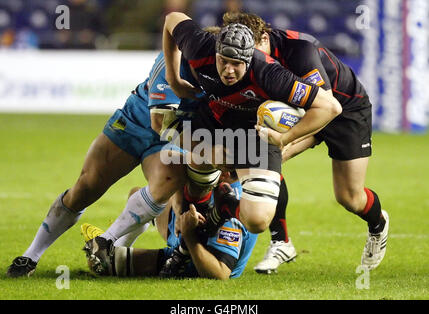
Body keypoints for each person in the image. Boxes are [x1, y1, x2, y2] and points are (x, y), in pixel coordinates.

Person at [158, 11, 342, 275]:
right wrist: (173, 78)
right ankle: (187, 243)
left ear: (249, 60)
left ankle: (223, 207)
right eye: (223, 61)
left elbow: (330, 107)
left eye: (236, 64)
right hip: (211, 123)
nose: (228, 70)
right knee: (183, 151)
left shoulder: (269, 73)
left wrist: (284, 138)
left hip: (255, 134)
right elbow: (172, 18)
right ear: (216, 51)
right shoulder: (200, 47)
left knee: (257, 221)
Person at [223, 12, 389, 272]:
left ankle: (378, 224)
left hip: (344, 109)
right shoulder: (252, 63)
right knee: (266, 163)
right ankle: (281, 242)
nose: (250, 62)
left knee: (349, 197)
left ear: (264, 38)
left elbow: (326, 109)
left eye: (252, 54)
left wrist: (286, 140)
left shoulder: (300, 51)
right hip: (300, 110)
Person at [6, 51, 195, 278]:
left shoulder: (223, 81)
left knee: (168, 178)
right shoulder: (172, 60)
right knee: (85, 188)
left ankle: (107, 245)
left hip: (170, 138)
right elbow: (159, 122)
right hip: (135, 123)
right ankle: (31, 255)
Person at [82, 177, 257, 280]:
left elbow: (220, 272)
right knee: (139, 197)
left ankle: (114, 250)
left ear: (224, 171)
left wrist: (189, 236)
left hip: (192, 264)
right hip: (187, 233)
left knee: (101, 263)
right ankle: (118, 244)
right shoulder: (213, 180)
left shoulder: (231, 210)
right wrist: (178, 206)